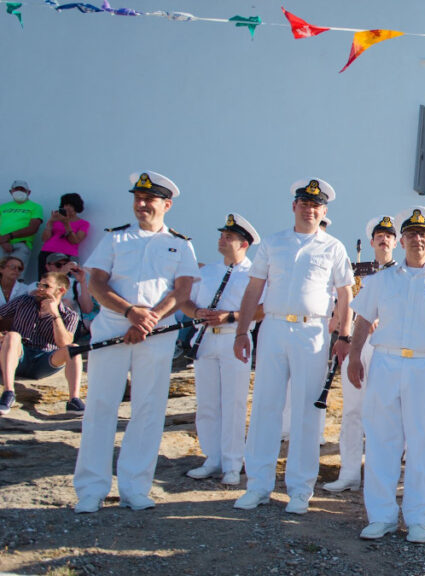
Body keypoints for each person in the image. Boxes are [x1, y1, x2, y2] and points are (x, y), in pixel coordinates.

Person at [73, 171, 199, 513]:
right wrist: (131, 312)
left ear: (166, 205)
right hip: (113, 330)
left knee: (148, 409)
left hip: (156, 335)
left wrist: (150, 317)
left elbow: (183, 290)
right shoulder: (115, 239)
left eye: (149, 199)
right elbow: (96, 282)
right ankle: (90, 488)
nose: (141, 204)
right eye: (138, 198)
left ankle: (135, 488)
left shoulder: (180, 243)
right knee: (100, 406)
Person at [348, 206, 425, 543]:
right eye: (412, 234)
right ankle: (382, 516)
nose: (418, 239)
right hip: (386, 363)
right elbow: (361, 319)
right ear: (401, 240)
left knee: (423, 443)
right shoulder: (382, 279)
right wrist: (355, 356)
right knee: (381, 441)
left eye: (424, 234)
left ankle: (417, 518)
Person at [232, 178, 353, 515]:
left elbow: (345, 293)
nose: (309, 208)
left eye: (315, 205)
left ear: (324, 211)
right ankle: (258, 484)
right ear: (294, 206)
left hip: (311, 331)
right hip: (272, 328)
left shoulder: (333, 247)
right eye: (304, 202)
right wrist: (242, 331)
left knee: (306, 411)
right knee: (265, 408)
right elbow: (254, 289)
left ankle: (300, 489)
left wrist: (343, 335)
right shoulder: (273, 243)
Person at [181, 214, 261, 486]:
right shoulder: (207, 272)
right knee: (207, 402)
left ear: (244, 244)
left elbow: (261, 310)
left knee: (234, 403)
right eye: (222, 235)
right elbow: (185, 301)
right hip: (205, 339)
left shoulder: (255, 274)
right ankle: (211, 458)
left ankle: (232, 462)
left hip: (233, 338)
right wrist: (196, 311)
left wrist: (232, 317)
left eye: (229, 237)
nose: (222, 240)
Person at [323, 214, 399, 493]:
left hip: (387, 346)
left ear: (396, 242)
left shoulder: (403, 274)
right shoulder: (357, 272)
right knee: (353, 410)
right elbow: (345, 307)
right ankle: (350, 473)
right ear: (371, 241)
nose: (384, 239)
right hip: (358, 342)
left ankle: (381, 476)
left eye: (389, 236)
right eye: (379, 235)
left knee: (386, 412)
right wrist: (343, 336)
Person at [0, 272, 79, 415]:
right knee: (12, 336)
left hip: (46, 359)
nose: (40, 288)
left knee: (74, 349)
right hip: (20, 355)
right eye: (39, 284)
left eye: (46, 286)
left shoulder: (69, 315)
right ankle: (8, 392)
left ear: (61, 290)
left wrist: (55, 314)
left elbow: (64, 343)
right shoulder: (24, 300)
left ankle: (74, 400)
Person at [25, 253, 93, 412]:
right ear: (48, 266)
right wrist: (60, 274)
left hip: (62, 337)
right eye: (58, 264)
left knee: (73, 348)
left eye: (65, 263)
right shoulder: (36, 285)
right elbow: (37, 294)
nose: (64, 266)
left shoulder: (74, 286)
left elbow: (87, 309)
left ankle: (74, 399)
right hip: (28, 346)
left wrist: (82, 282)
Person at [38, 193, 90, 277]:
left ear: (76, 207)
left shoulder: (83, 223)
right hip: (47, 252)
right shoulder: (55, 220)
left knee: (64, 282)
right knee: (44, 280)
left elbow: (75, 241)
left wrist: (66, 224)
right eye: (65, 205)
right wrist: (51, 221)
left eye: (71, 205)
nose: (68, 208)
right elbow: (44, 238)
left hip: (67, 256)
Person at [0, 180, 44, 274]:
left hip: (21, 245)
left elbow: (33, 228)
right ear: (11, 191)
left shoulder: (35, 207)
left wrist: (8, 237)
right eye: (16, 189)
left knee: (15, 275)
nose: (19, 191)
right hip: (2, 245)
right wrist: (3, 242)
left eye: (22, 189)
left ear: (29, 192)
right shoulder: (2, 207)